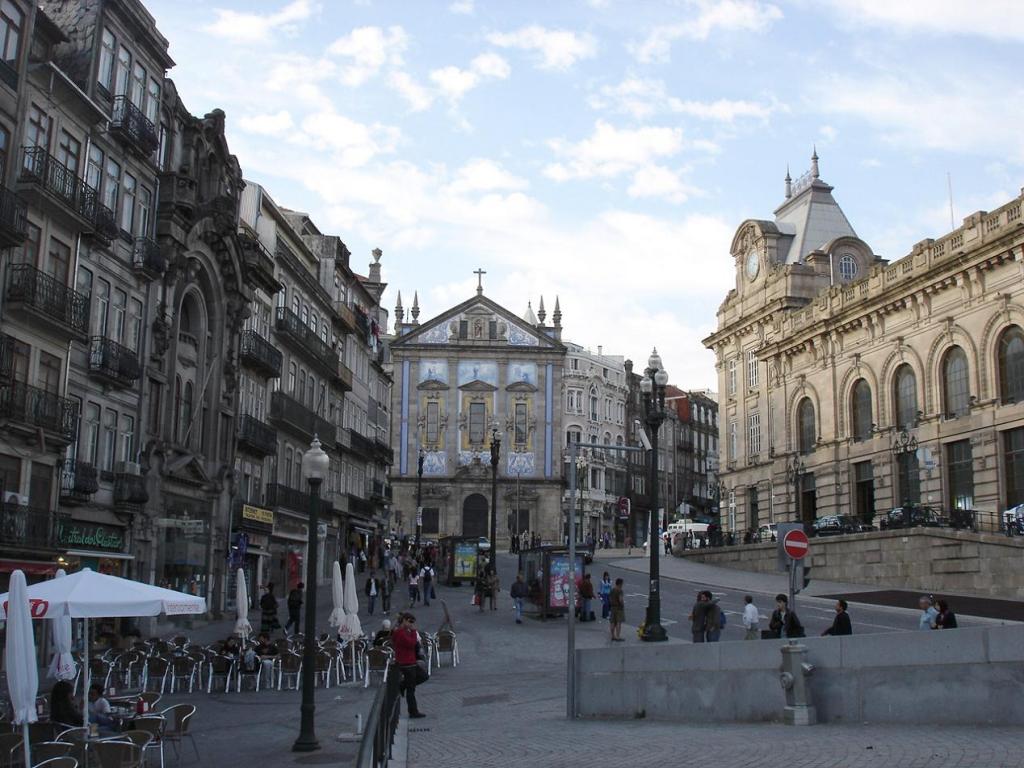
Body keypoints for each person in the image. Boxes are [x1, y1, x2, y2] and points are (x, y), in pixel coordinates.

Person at [392, 613, 426, 718]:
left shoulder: (404, 632)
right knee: (411, 690)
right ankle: (413, 711)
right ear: (404, 621)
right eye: (410, 622)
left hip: (411, 662)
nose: (412, 624)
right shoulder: (400, 633)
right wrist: (414, 632)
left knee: (423, 676)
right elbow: (411, 643)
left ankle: (403, 685)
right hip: (406, 663)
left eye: (413, 622)